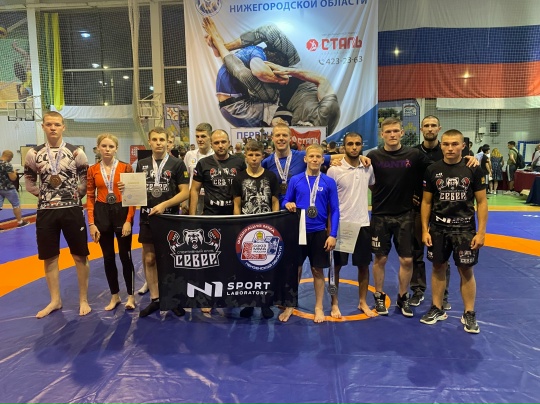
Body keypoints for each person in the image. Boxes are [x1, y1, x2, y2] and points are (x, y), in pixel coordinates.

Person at [24, 111, 91, 318]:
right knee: (50, 257)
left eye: (57, 124)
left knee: (80, 255)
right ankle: (55, 300)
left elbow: (85, 182)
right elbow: (29, 183)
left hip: (72, 209)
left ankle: (83, 299)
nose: (53, 128)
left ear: (63, 127)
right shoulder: (33, 153)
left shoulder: (76, 152)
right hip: (46, 211)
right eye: (49, 124)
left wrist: (71, 196)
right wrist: (47, 196)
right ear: (43, 126)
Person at [420, 129, 488, 334]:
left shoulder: (473, 169)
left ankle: (469, 312)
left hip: (465, 229)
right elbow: (426, 202)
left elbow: (482, 202)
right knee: (437, 267)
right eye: (446, 144)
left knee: (466, 270)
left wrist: (481, 232)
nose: (450, 148)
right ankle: (437, 308)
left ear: (463, 146)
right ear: (441, 145)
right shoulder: (432, 170)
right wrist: (425, 230)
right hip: (439, 228)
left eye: (454, 144)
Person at [367, 117, 432, 318]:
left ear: (402, 133)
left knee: (407, 259)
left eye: (396, 131)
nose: (392, 135)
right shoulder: (373, 156)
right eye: (388, 132)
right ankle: (379, 295)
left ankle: (403, 297)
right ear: (382, 134)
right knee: (380, 258)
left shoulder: (414, 155)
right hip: (380, 215)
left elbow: (437, 168)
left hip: (405, 215)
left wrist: (467, 159)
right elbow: (367, 180)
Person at [124, 127, 190, 318]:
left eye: (162, 139)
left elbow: (185, 193)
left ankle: (173, 298)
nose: (159, 143)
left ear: (168, 142)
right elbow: (136, 193)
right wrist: (125, 189)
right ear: (150, 142)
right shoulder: (142, 164)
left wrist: (164, 205)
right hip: (148, 218)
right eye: (155, 139)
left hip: (170, 218)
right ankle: (156, 299)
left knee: (171, 259)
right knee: (150, 259)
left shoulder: (177, 164)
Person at [190, 129, 246, 314]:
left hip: (233, 218)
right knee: (211, 260)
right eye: (216, 142)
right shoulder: (203, 163)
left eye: (223, 142)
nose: (220, 145)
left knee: (233, 258)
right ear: (211, 144)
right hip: (211, 217)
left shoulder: (239, 162)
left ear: (229, 142)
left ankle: (232, 294)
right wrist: (192, 217)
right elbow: (194, 190)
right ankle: (209, 297)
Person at [282, 144, 340, 323]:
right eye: (312, 156)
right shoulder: (296, 180)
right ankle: (290, 304)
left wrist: (333, 234)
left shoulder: (328, 181)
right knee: (296, 269)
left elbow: (335, 210)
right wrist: (287, 204)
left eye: (318, 157)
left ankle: (319, 306)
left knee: (317, 270)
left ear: (323, 160)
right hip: (298, 231)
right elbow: (286, 199)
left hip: (319, 232)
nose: (315, 159)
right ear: (305, 159)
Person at [327, 132, 375, 318]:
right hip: (342, 225)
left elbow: (374, 187)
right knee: (336, 267)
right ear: (343, 147)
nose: (354, 147)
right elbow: (329, 201)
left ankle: (363, 302)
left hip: (363, 224)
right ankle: (334, 303)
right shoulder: (334, 170)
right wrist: (330, 229)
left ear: (362, 146)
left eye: (357, 144)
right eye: (350, 144)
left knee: (363, 266)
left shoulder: (368, 167)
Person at [87, 134, 136, 311]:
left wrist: (128, 220)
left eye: (111, 146)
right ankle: (114, 295)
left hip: (121, 211)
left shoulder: (126, 167)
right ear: (98, 148)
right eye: (104, 146)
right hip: (101, 213)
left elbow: (132, 196)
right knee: (108, 257)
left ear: (116, 149)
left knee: (125, 256)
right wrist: (91, 223)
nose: (107, 149)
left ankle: (131, 296)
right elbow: (90, 197)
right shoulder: (92, 170)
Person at [232, 140, 280, 319]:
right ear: (245, 156)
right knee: (247, 267)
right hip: (246, 229)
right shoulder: (239, 178)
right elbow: (237, 204)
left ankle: (266, 303)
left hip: (266, 228)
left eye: (257, 155)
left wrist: (275, 224)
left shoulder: (270, 177)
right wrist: (237, 226)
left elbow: (275, 201)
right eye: (250, 155)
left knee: (266, 266)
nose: (253, 158)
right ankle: (249, 303)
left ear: (262, 156)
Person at [410, 116, 451, 309]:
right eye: (426, 126)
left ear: (439, 128)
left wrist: (472, 160)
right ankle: (417, 290)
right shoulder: (413, 153)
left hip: (443, 210)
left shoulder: (447, 151)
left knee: (442, 255)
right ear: (421, 129)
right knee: (416, 252)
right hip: (418, 209)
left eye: (433, 125)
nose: (430, 129)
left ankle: (443, 295)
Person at [261, 124, 356, 205]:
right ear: (272, 138)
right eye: (278, 135)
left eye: (284, 135)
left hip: (300, 208)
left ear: (290, 138)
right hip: (277, 209)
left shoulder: (302, 156)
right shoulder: (266, 162)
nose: (281, 138)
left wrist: (359, 157)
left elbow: (332, 157)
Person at [183, 123, 214, 215]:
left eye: (203, 136)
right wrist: (184, 200)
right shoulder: (189, 155)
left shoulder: (215, 156)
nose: (199, 139)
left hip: (210, 197)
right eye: (197, 136)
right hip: (193, 196)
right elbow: (185, 177)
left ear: (210, 137)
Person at [0, 150, 30, 229]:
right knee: (16, 205)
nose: (11, 160)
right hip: (8, 188)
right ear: (9, 156)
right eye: (11, 158)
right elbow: (13, 178)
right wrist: (14, 172)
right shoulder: (7, 164)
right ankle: (20, 222)